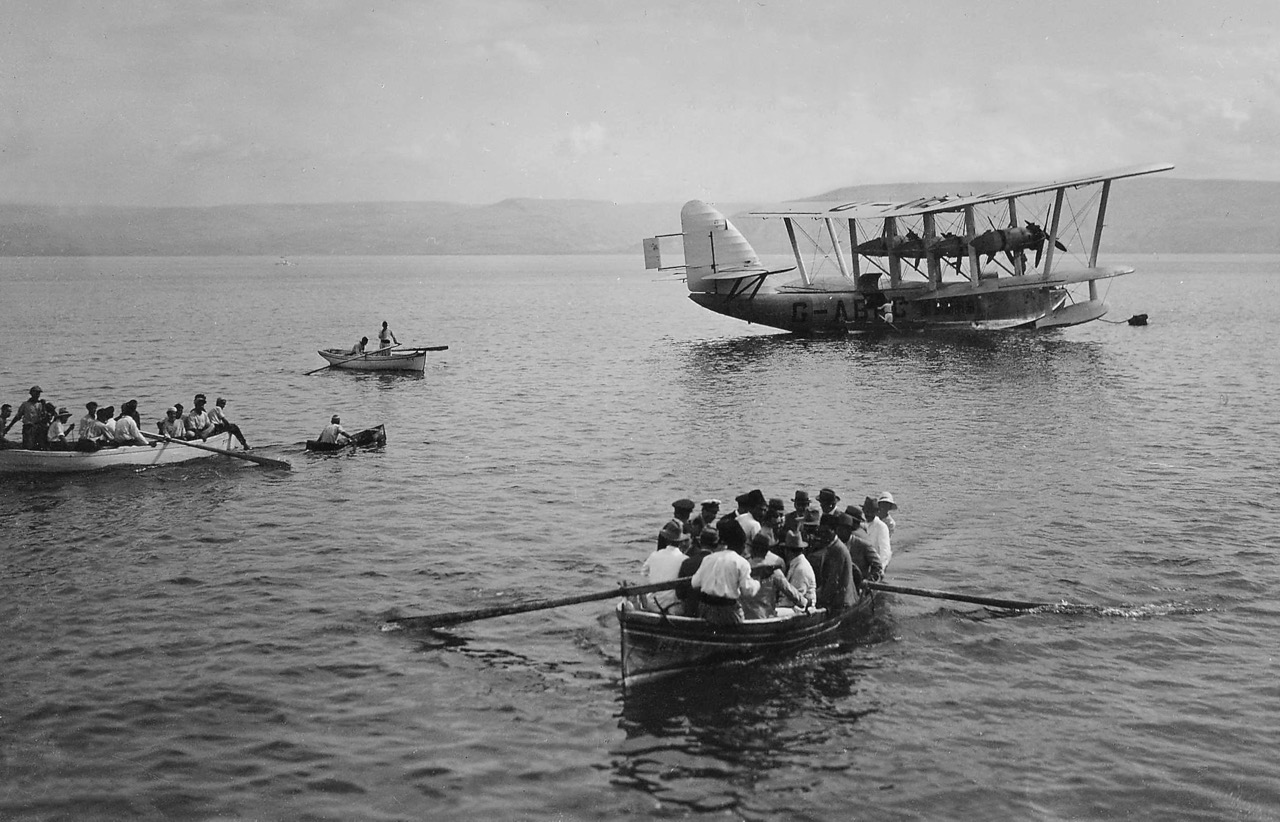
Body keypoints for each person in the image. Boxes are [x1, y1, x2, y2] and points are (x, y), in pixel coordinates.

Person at [690, 517, 759, 624]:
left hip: (705, 609)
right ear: (741, 545)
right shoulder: (741, 562)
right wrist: (757, 583)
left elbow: (695, 583)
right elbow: (747, 591)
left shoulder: (708, 558)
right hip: (728, 611)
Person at [741, 533, 802, 619]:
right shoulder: (773, 571)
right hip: (767, 617)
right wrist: (806, 602)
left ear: (752, 549)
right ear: (767, 552)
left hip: (745, 617)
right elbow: (792, 594)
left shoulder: (743, 569)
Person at [811, 514, 857, 612]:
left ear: (834, 531)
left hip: (842, 603)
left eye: (826, 532)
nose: (823, 535)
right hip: (837, 600)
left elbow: (833, 580)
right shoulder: (831, 546)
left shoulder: (838, 550)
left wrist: (821, 602)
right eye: (821, 532)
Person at [641, 524, 690, 612]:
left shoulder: (654, 555)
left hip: (653, 604)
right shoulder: (685, 559)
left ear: (666, 540)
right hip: (674, 607)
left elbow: (643, 574)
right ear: (680, 542)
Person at [780, 530, 817, 610]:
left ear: (788, 551)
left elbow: (795, 599)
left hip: (799, 609)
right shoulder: (796, 564)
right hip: (793, 606)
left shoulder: (801, 568)